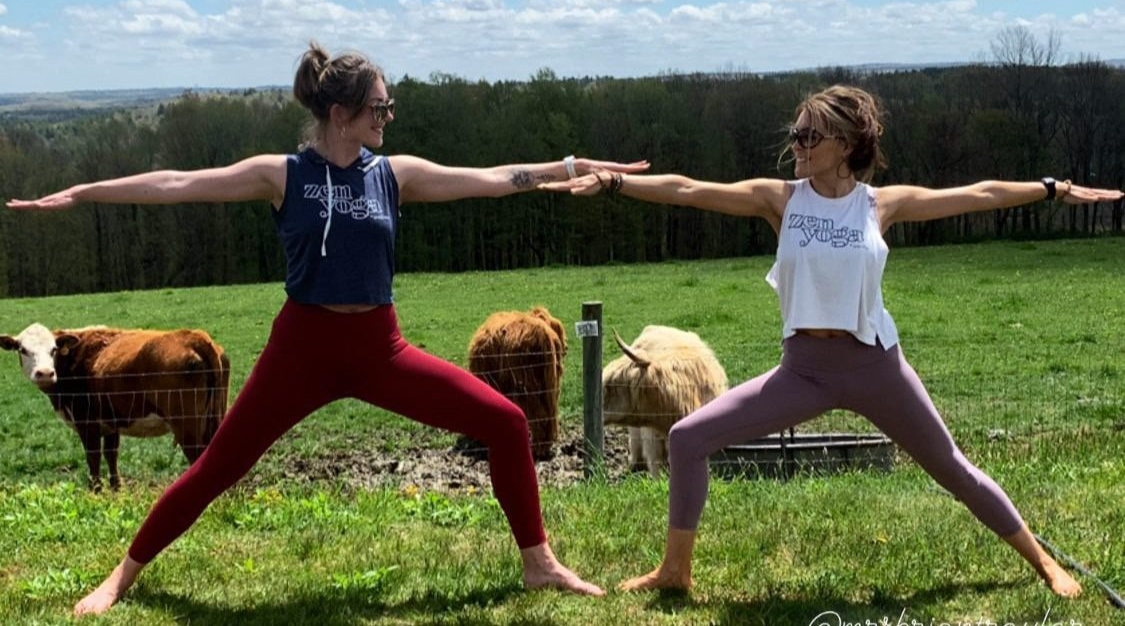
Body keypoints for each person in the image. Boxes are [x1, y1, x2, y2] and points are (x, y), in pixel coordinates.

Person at [7, 42, 648, 616]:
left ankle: (540, 565)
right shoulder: (283, 173)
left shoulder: (392, 174)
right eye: (378, 106)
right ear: (340, 113)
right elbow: (178, 183)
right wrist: (85, 191)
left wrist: (568, 166)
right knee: (215, 468)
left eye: (388, 107)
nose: (386, 116)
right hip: (302, 353)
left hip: (380, 349)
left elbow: (494, 181)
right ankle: (122, 575)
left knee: (506, 422)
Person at [542, 83, 1122, 599]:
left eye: (809, 134)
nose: (797, 144)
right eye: (794, 133)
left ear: (845, 144)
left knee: (951, 466)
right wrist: (618, 183)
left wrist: (1052, 188)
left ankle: (1042, 561)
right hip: (803, 371)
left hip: (876, 366)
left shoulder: (879, 205)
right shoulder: (782, 200)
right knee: (688, 437)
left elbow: (981, 194)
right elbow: (690, 189)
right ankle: (674, 571)